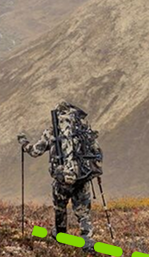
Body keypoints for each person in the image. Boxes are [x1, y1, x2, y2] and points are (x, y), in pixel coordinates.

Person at [19, 101, 102, 238]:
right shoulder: (83, 130)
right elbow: (95, 152)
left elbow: (35, 152)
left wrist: (24, 143)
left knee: (60, 207)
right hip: (82, 176)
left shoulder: (53, 131)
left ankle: (61, 235)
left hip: (62, 177)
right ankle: (87, 238)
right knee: (83, 211)